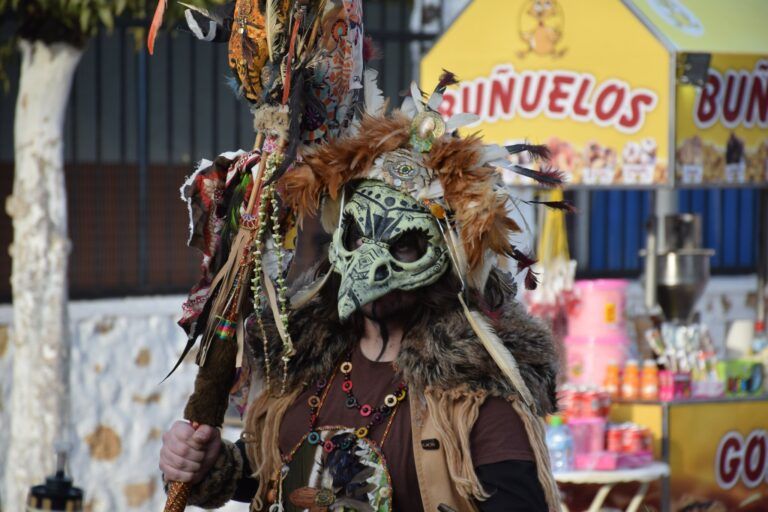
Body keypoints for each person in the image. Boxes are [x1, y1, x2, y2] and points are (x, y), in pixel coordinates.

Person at [161, 79, 562, 511]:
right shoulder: (304, 365)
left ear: (446, 259)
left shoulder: (475, 398)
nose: (373, 261)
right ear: (339, 236)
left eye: (404, 243)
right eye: (359, 235)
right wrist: (208, 464)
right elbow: (269, 472)